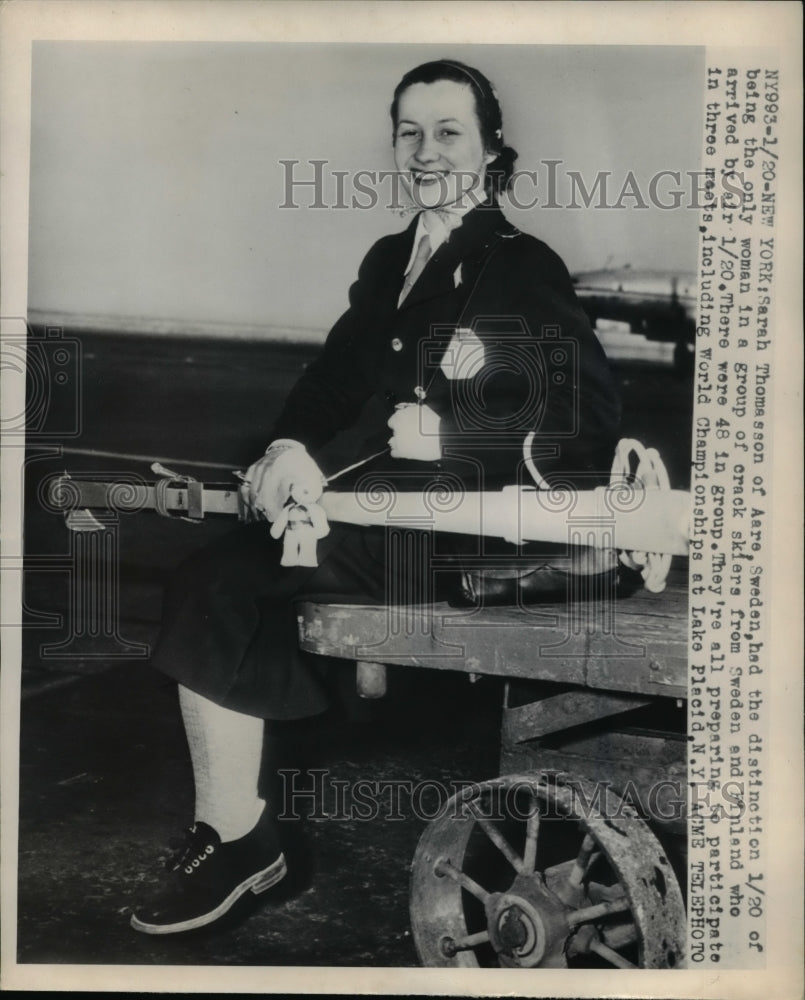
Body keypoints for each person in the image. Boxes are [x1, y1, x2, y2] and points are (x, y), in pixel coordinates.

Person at [130, 58, 621, 935]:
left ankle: (240, 840)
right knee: (219, 575)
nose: (424, 152)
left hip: (459, 533)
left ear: (490, 150)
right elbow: (330, 383)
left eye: (447, 133)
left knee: (225, 581)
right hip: (368, 512)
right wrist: (287, 446)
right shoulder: (391, 257)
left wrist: (455, 437)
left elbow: (586, 419)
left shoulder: (520, 266)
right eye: (408, 132)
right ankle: (238, 830)